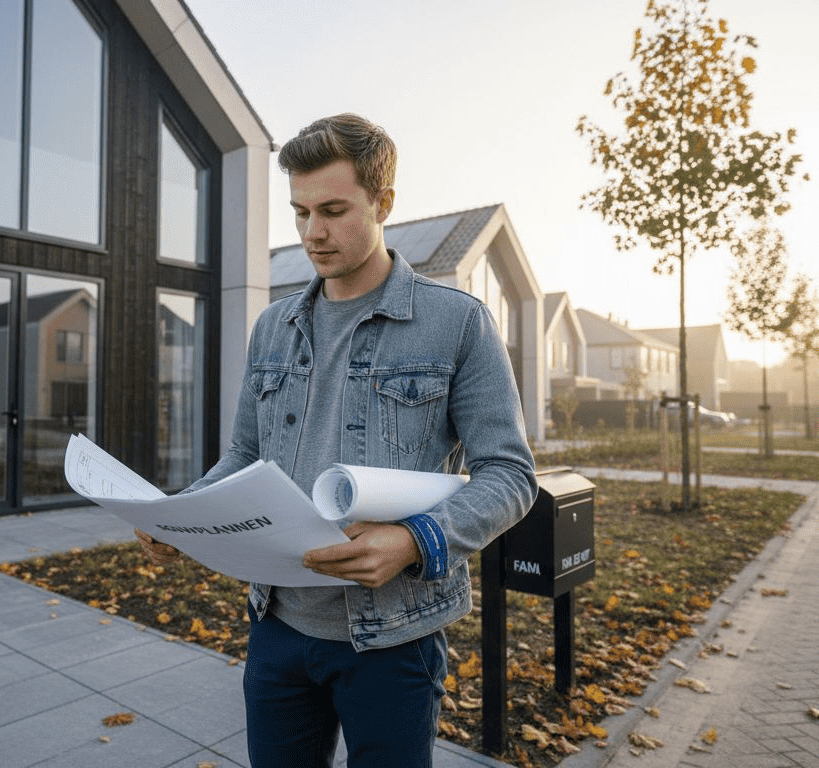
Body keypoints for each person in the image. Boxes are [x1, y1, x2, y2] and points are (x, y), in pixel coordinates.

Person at [136, 113, 537, 767]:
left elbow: (510, 474)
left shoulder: (458, 322)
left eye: (332, 210)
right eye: (300, 212)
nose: (312, 233)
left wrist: (415, 541)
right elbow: (244, 455)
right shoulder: (272, 326)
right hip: (277, 626)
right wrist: (182, 514)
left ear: (383, 203)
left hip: (394, 637)